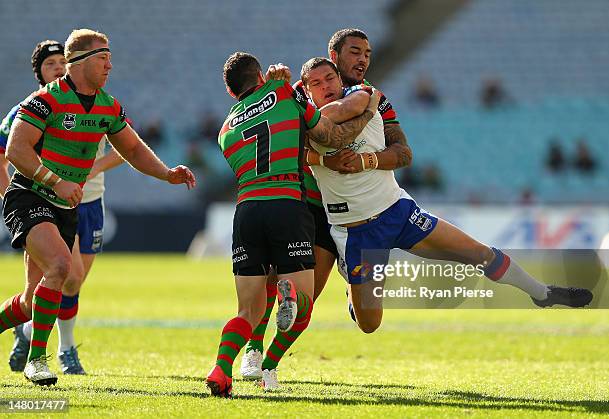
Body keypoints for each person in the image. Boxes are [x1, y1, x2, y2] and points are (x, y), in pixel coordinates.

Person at [300, 57, 593, 335]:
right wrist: (323, 156)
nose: (326, 85)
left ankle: (542, 292)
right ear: (308, 91)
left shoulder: (363, 94)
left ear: (340, 78)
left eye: (330, 78)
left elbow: (341, 120)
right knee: (369, 324)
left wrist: (343, 142)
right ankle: (353, 292)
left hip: (398, 211)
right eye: (316, 83)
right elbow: (319, 135)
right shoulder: (306, 123)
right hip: (357, 232)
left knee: (478, 253)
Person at [0, 28, 195, 386]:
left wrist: (167, 174)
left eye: (109, 58)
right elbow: (16, 150)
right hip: (30, 195)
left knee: (31, 302)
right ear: (80, 62)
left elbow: (133, 150)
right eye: (102, 58)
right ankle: (37, 360)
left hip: (64, 205)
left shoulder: (108, 105)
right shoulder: (45, 100)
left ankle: (30, 342)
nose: (110, 65)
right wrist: (55, 180)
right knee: (60, 267)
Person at [240, 28, 412, 386]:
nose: (363, 58)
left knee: (369, 323)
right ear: (334, 58)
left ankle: (354, 296)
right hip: (315, 210)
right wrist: (323, 158)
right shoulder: (301, 93)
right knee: (290, 288)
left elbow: (404, 153)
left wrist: (367, 160)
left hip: (361, 217)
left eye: (367, 52)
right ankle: (257, 355)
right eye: (354, 52)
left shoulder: (377, 99)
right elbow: (281, 147)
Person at [206, 52, 379, 398]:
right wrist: (370, 109)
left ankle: (221, 369)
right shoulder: (287, 93)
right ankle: (267, 362)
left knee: (248, 309)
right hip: (290, 203)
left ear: (230, 92)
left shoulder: (225, 130)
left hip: (247, 210)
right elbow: (329, 134)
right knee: (303, 305)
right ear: (260, 74)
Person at [1, 40, 125, 376]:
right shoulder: (34, 107)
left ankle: (28, 332)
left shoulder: (100, 103)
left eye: (61, 61)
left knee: (43, 294)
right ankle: (60, 350)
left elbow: (125, 145)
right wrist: (10, 198)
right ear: (39, 72)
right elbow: (7, 151)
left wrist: (96, 168)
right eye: (49, 63)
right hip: (40, 200)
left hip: (88, 201)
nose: (57, 67)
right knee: (66, 272)